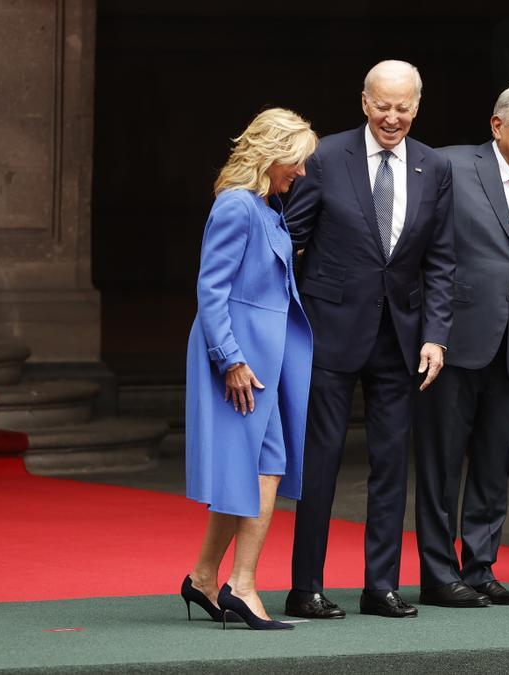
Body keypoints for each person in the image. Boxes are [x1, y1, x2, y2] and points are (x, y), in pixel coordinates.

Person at [284, 60, 455, 620]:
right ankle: (305, 586)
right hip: (330, 333)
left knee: (390, 465)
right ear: (364, 102)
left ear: (417, 107)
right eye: (383, 105)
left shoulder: (434, 166)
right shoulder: (327, 157)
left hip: (400, 340)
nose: (393, 116)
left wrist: (436, 335)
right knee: (322, 461)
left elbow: (440, 260)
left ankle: (380, 586)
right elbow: (291, 242)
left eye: (404, 106)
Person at [412, 84, 509, 608]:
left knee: (494, 466)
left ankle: (480, 569)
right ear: (497, 126)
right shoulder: (449, 166)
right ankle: (438, 574)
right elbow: (415, 242)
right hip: (451, 344)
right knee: (441, 465)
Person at [180, 107, 317, 630]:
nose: (300, 173)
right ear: (271, 152)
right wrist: (230, 359)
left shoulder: (266, 205)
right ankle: (243, 584)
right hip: (239, 356)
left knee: (258, 466)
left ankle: (204, 578)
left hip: (263, 355)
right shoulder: (237, 205)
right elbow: (210, 289)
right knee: (266, 466)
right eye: (296, 161)